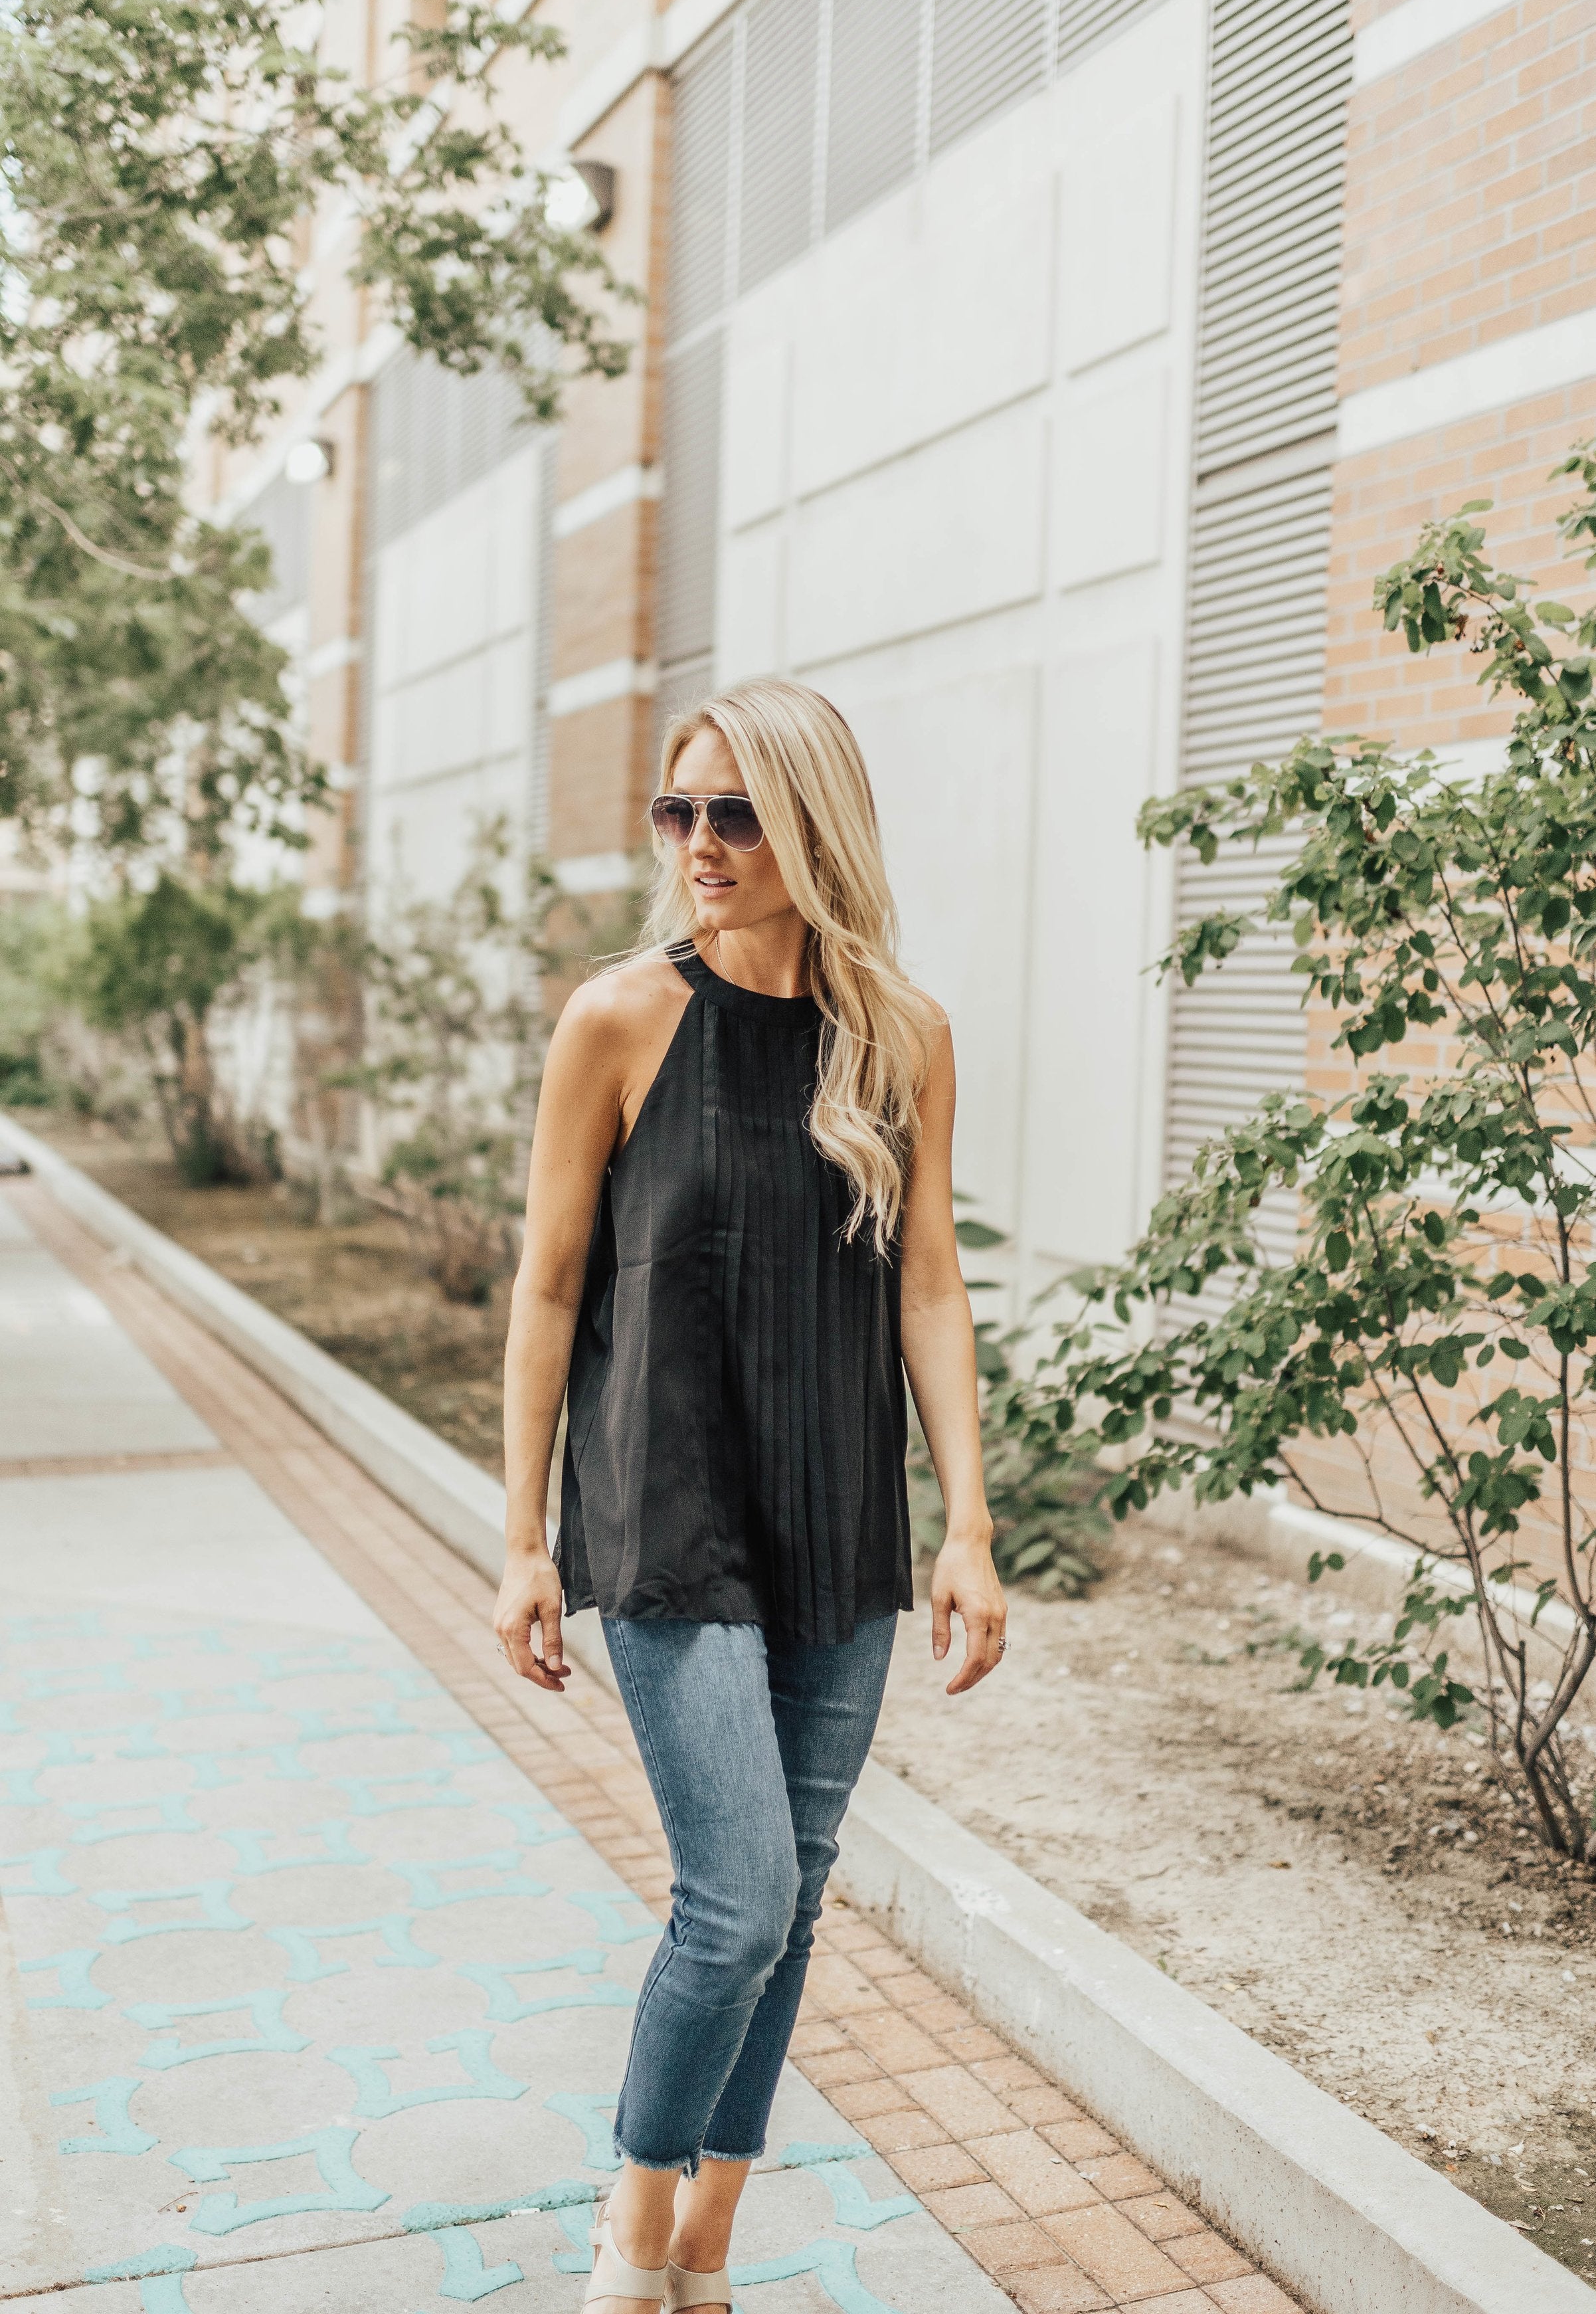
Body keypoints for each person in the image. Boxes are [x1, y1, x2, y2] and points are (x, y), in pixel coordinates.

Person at [494, 678, 1007, 2313]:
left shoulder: (901, 1036)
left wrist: (967, 1526)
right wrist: (520, 1541)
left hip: (837, 1516)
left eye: (734, 814)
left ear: (810, 826)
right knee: (736, 1905)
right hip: (665, 1511)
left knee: (797, 1884)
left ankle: (707, 2245)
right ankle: (631, 2233)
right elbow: (548, 1287)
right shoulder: (617, 1020)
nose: (698, 845)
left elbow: (929, 1286)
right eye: (679, 811)